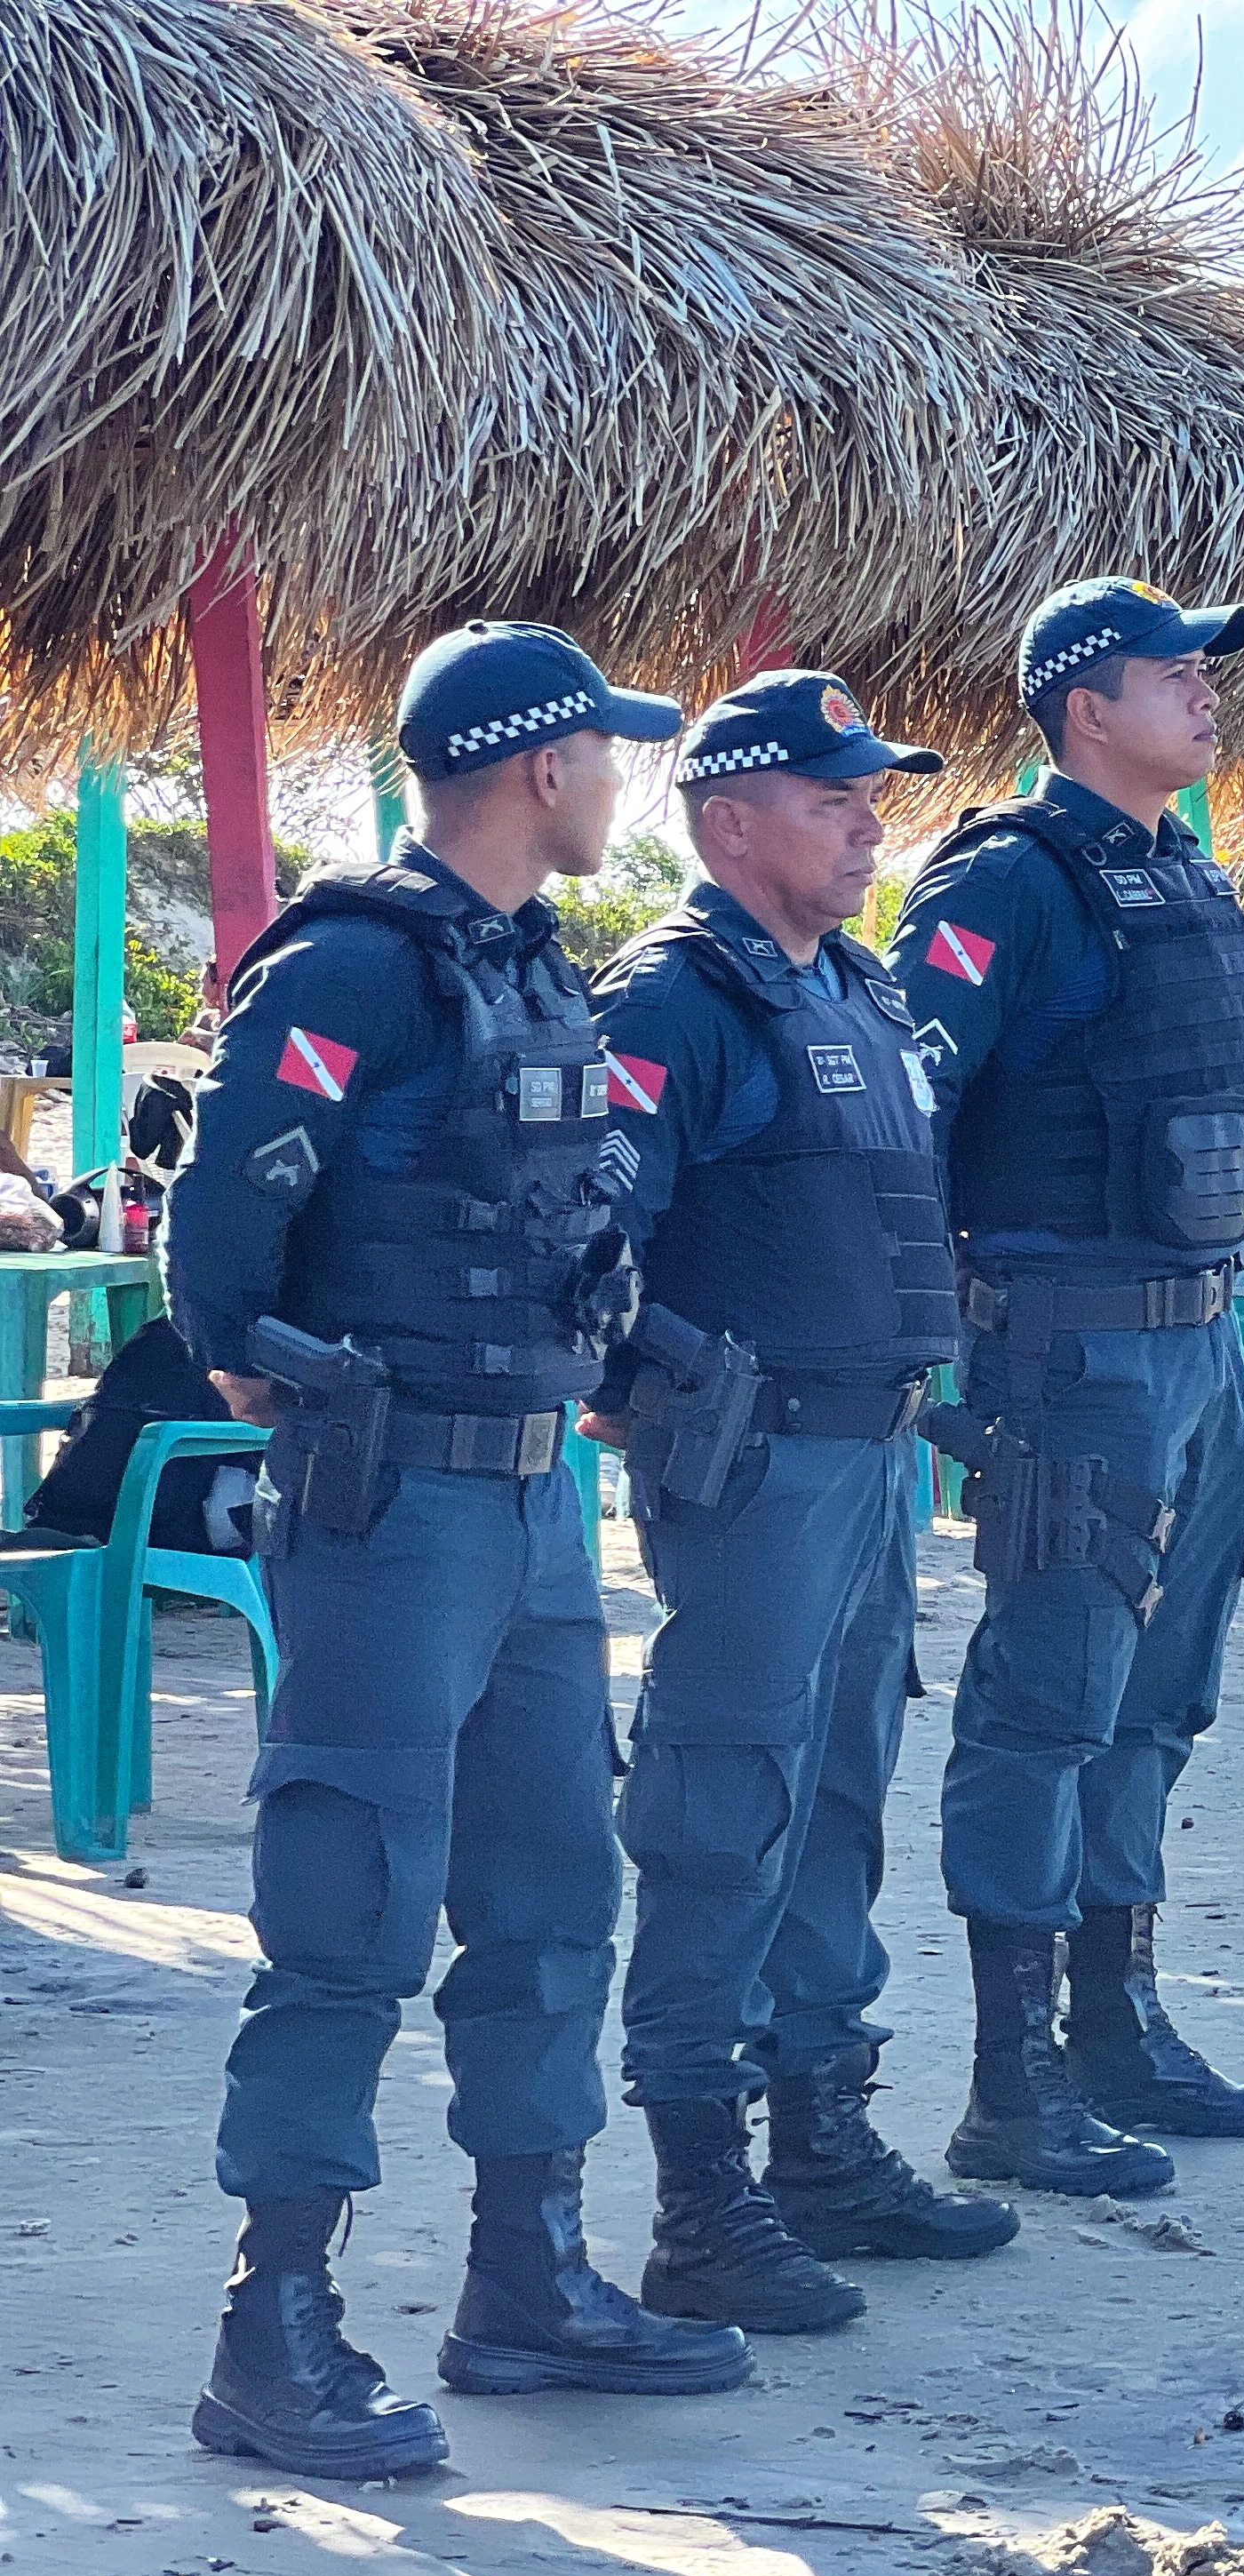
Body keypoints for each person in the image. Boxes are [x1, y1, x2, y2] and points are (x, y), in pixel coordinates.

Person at [165, 622, 746, 2480]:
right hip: (394, 1503)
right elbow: (221, 1248)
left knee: (554, 1890)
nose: (623, 786)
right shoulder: (355, 962)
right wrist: (291, 1378)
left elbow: (566, 1226)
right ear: (535, 770)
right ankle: (274, 2332)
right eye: (608, 756)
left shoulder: (530, 970)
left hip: (530, 1505)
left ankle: (529, 2279)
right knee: (346, 1912)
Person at [585, 673, 1013, 2335]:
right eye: (833, 794)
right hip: (754, 1467)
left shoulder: (853, 985)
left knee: (837, 1794)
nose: (869, 817)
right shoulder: (675, 1000)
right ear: (731, 817)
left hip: (869, 1461)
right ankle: (701, 2195)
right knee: (721, 1812)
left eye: (872, 791)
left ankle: (823, 2137)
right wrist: (669, 1389)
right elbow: (588, 1242)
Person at [892, 578, 1244, 2203]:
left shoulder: (1175, 864)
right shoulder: (1010, 879)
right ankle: (1011, 2082)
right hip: (1074, 1350)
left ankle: (1117, 2020)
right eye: (1172, 673)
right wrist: (944, 1337)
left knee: (1158, 1699)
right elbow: (905, 1102)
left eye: (1209, 669)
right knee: (1047, 1699)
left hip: (1200, 1342)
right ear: (1083, 708)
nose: (1206, 694)